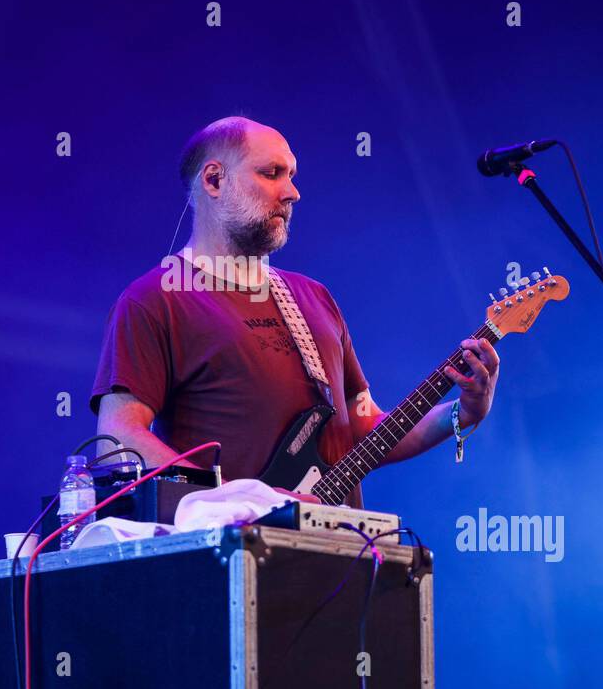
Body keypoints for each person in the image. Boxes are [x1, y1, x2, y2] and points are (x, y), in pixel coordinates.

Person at [89, 116, 500, 507]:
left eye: (292, 175)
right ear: (214, 180)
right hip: (229, 555)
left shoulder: (314, 297)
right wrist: (231, 501)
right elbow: (119, 439)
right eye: (271, 174)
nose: (292, 193)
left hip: (340, 557)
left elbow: (362, 427)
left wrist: (462, 413)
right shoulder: (155, 299)